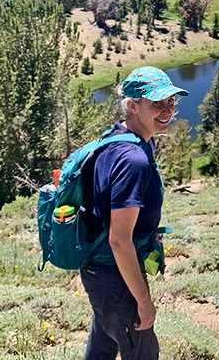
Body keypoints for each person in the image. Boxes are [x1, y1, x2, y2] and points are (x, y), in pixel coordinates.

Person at [81, 66, 187, 360]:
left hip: (102, 271)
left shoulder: (118, 137)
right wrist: (143, 300)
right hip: (114, 274)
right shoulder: (133, 159)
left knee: (103, 346)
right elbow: (119, 239)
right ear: (132, 105)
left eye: (171, 102)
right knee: (142, 352)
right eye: (156, 103)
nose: (167, 111)